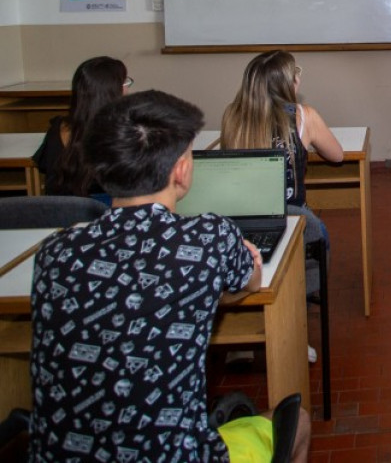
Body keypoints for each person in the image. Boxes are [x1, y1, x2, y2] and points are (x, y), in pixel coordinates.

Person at [29, 90, 311, 462]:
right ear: (181, 169)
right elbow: (252, 282)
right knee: (298, 422)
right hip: (175, 455)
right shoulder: (209, 238)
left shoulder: (54, 252)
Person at [221, 50, 343, 299]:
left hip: (242, 217)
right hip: (293, 215)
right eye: (295, 74)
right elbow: (337, 155)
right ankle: (306, 295)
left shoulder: (232, 116)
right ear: (288, 83)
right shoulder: (303, 115)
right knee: (320, 232)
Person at [32, 55, 131, 199]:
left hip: (61, 214)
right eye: (125, 83)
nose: (127, 90)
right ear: (113, 92)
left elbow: (47, 173)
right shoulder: (124, 132)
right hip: (106, 215)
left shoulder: (57, 128)